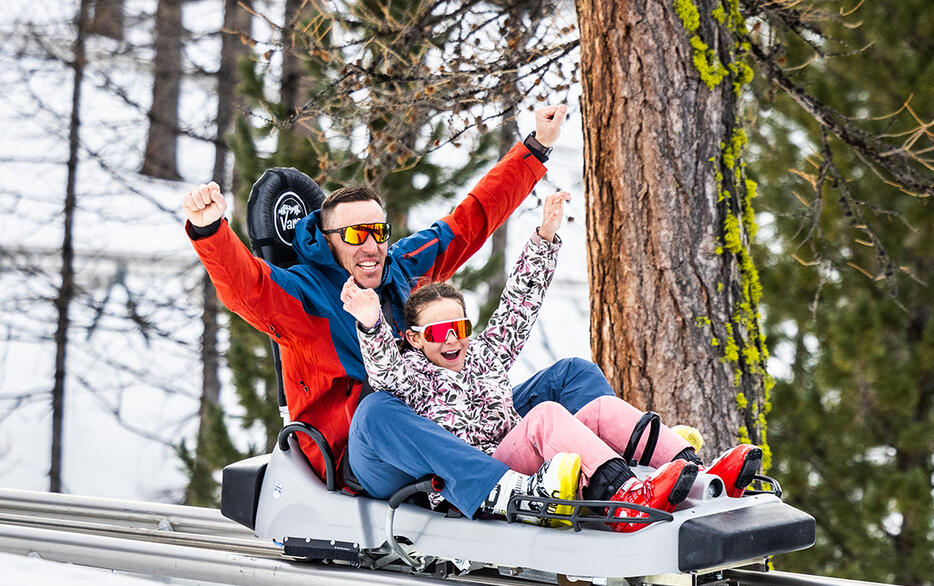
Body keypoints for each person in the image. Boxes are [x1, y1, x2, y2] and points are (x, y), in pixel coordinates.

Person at [180, 105, 618, 523]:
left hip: (446, 422)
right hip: (366, 455)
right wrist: (209, 230)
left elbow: (468, 222)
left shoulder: (402, 267)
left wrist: (535, 148)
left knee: (570, 375)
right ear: (329, 239)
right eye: (355, 234)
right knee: (377, 409)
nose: (370, 246)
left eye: (378, 232)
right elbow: (245, 286)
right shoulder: (303, 294)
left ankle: (618, 474)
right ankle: (505, 492)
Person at [340, 189, 761, 530]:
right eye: (437, 333)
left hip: (519, 451)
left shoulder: (482, 357)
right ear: (414, 339)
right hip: (490, 473)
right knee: (545, 416)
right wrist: (371, 321)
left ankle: (697, 474)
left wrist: (543, 238)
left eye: (460, 328)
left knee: (598, 408)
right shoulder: (411, 376)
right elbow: (383, 370)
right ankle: (625, 494)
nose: (452, 340)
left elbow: (518, 306)